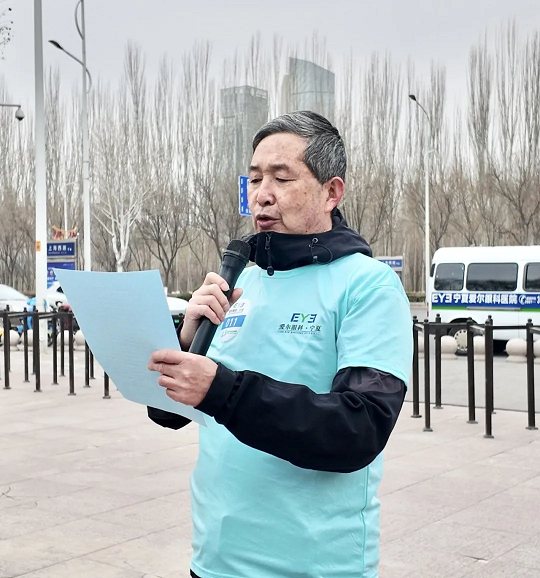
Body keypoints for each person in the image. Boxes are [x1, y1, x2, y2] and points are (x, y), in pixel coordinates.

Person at [147, 111, 413, 578]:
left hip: (315, 566)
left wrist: (224, 390)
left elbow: (360, 427)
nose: (262, 194)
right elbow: (170, 413)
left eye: (282, 178)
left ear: (331, 192)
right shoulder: (242, 283)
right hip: (214, 561)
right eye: (254, 179)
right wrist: (186, 341)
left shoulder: (367, 285)